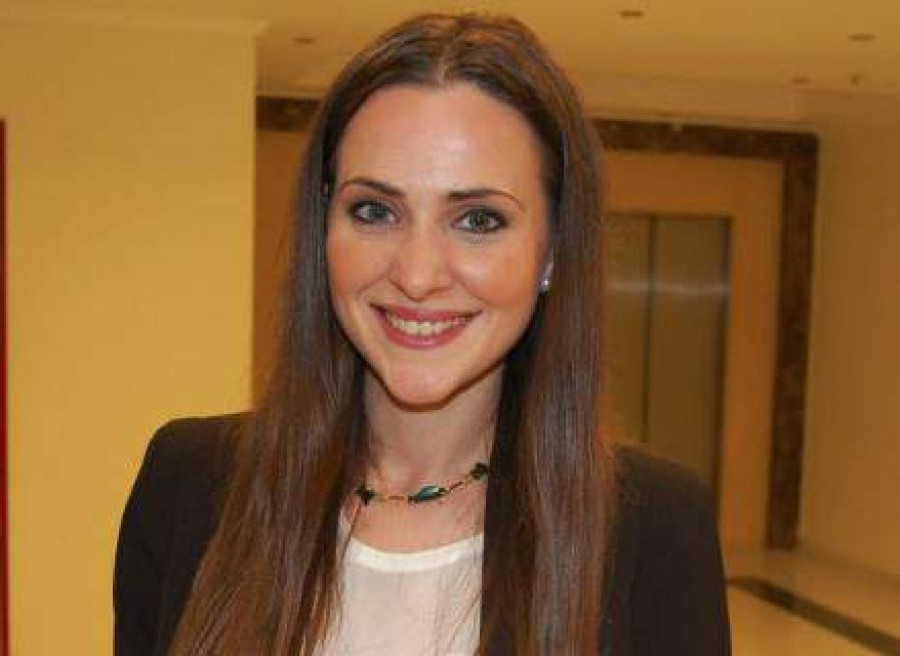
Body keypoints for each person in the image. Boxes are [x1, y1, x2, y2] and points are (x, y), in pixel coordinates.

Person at [114, 13, 730, 656]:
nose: (416, 274)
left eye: (478, 220)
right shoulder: (191, 484)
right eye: (375, 211)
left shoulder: (654, 530)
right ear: (323, 230)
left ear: (552, 251)